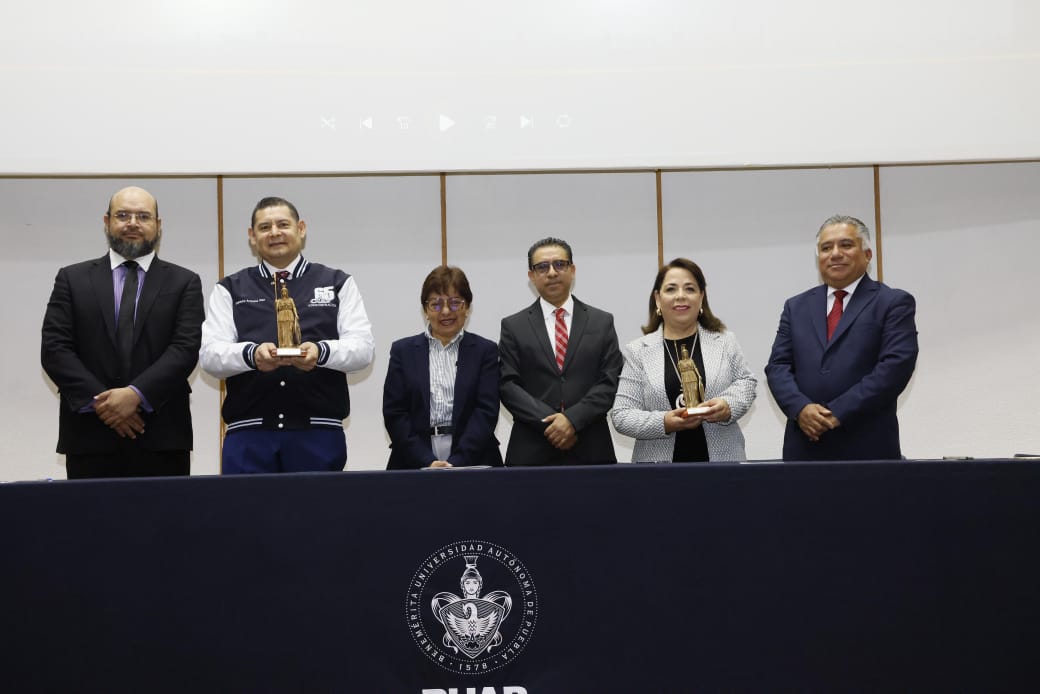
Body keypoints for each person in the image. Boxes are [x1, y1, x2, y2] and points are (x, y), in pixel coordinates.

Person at [199, 196, 374, 473]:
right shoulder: (230, 288)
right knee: (246, 516)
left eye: (283, 224)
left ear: (301, 229)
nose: (275, 233)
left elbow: (363, 349)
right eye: (265, 227)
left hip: (318, 432)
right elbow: (210, 356)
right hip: (248, 435)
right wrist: (252, 355)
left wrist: (320, 353)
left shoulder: (336, 282)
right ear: (252, 236)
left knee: (315, 515)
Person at [41, 186, 205, 478]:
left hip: (161, 436)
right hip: (89, 436)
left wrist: (136, 395)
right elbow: (55, 349)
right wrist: (104, 405)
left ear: (158, 225)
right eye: (123, 215)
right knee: (91, 524)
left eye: (143, 216)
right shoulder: (72, 278)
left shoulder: (184, 282)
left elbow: (184, 349)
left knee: (165, 524)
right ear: (107, 222)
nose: (133, 223)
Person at [765, 214, 919, 461]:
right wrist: (801, 409)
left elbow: (894, 368)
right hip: (804, 446)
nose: (835, 253)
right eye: (826, 248)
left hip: (868, 446)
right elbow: (777, 367)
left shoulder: (892, 303)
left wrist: (837, 412)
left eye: (846, 245)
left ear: (867, 255)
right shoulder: (796, 306)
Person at [611, 258, 757, 462]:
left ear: (701, 297)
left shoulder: (725, 341)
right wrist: (664, 422)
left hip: (722, 465)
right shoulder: (638, 352)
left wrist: (728, 405)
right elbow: (622, 416)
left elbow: (747, 383)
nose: (681, 296)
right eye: (671, 289)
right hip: (659, 472)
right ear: (658, 299)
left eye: (690, 289)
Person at [499, 237, 623, 466]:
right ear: (531, 276)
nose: (552, 272)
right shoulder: (513, 326)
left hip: (591, 446)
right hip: (531, 449)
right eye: (542, 267)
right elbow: (508, 385)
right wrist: (552, 425)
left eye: (560, 264)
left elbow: (610, 380)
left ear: (572, 270)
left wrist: (572, 420)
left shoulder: (601, 321)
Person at [382, 266, 502, 469]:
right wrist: (426, 460)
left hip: (474, 457)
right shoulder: (403, 351)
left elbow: (486, 412)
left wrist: (457, 462)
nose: (446, 311)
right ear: (425, 310)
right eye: (435, 304)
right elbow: (395, 413)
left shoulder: (485, 351)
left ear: (467, 307)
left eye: (455, 303)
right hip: (413, 459)